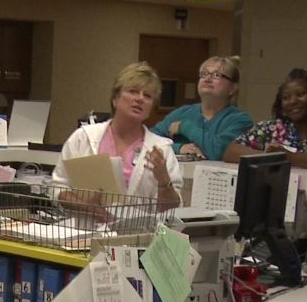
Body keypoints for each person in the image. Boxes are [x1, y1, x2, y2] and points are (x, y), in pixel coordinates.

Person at [51, 61, 183, 210]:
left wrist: (164, 180)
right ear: (115, 99)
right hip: (86, 229)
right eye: (133, 91)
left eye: (147, 96)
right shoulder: (83, 137)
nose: (140, 99)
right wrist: (86, 207)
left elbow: (171, 208)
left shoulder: (161, 149)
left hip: (138, 231)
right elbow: (58, 188)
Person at [224, 68, 307, 169]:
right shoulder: (273, 127)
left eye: (300, 94)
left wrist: (291, 157)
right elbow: (230, 151)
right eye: (286, 97)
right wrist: (269, 157)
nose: (293, 101)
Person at [151, 55, 252, 160]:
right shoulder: (182, 113)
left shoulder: (240, 120)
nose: (207, 79)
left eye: (217, 75)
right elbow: (148, 140)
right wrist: (178, 148)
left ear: (232, 88)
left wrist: (186, 128)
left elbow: (221, 151)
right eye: (204, 74)